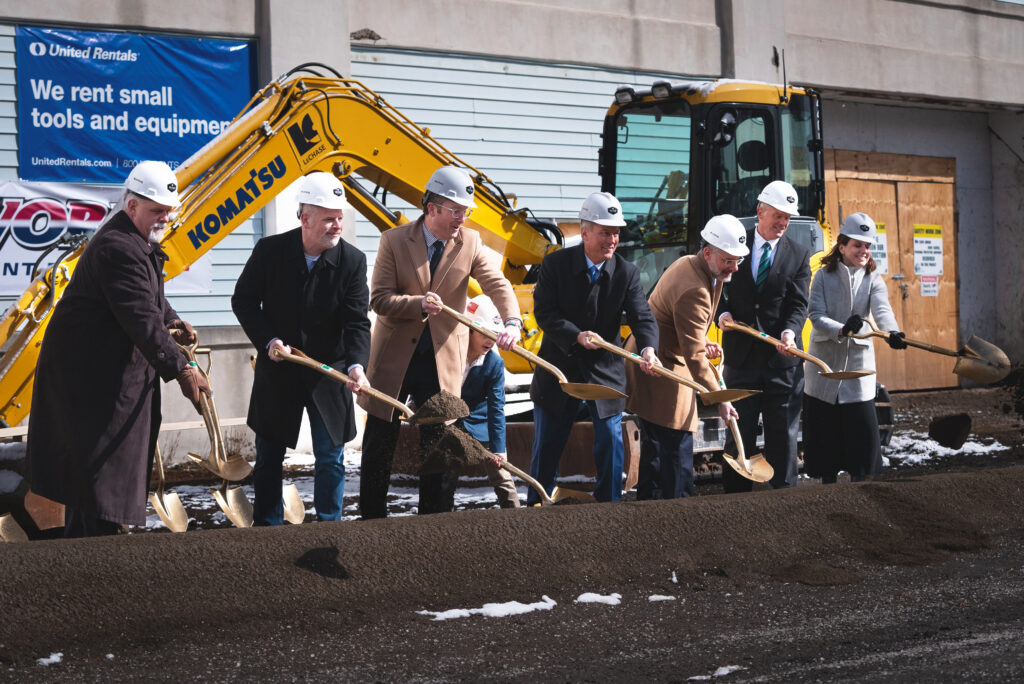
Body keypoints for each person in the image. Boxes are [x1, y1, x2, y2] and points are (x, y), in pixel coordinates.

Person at [27, 161, 209, 538]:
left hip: (105, 380)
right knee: (99, 482)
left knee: (97, 483)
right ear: (132, 207)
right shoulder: (119, 248)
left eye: (168, 211)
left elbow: (152, 304)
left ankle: (96, 549)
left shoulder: (135, 242)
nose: (164, 218)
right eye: (156, 210)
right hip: (95, 387)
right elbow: (141, 317)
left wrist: (173, 323)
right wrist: (181, 369)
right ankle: (100, 558)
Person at [358, 165, 522, 518]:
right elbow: (380, 299)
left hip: (441, 359)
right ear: (432, 208)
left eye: (466, 212)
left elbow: (497, 284)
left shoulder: (471, 243)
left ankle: (436, 522)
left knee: (442, 444)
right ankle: (371, 521)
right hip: (395, 359)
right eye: (456, 210)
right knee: (380, 439)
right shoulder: (394, 241)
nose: (462, 218)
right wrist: (417, 303)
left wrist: (512, 320)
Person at [232, 172, 371, 525]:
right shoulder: (270, 251)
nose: (337, 225)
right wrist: (269, 341)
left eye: (340, 217)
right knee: (269, 455)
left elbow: (357, 322)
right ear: (304, 218)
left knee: (331, 457)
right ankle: (268, 526)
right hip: (279, 367)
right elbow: (244, 301)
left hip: (329, 371)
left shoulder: (352, 262)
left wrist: (357, 365)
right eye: (328, 218)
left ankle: (329, 525)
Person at [528, 192, 660, 504]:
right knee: (547, 444)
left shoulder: (626, 273)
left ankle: (609, 505)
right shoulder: (555, 264)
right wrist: (575, 336)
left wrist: (649, 348)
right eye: (605, 232)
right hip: (559, 368)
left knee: (611, 441)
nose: (612, 240)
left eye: (616, 233)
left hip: (604, 370)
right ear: (585, 231)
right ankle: (536, 504)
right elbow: (545, 313)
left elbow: (643, 316)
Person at [625, 215, 749, 499]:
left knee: (659, 444)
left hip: (661, 355)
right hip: (659, 365)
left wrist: (703, 338)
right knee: (676, 442)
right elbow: (694, 358)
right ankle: (678, 511)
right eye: (729, 260)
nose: (735, 267)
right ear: (708, 253)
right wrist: (721, 399)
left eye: (738, 260)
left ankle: (653, 507)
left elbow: (678, 322)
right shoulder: (695, 288)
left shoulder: (691, 264)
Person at [717, 180, 811, 492]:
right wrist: (722, 312)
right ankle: (734, 500)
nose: (783, 222)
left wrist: (789, 332)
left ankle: (783, 499)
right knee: (739, 433)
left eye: (788, 217)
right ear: (761, 211)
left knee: (782, 435)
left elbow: (799, 304)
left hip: (780, 363)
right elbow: (716, 284)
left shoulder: (798, 254)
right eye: (778, 215)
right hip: (742, 361)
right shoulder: (734, 243)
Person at [803, 212, 907, 483]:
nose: (864, 251)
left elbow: (882, 310)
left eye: (867, 246)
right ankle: (828, 486)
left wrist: (892, 332)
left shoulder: (873, 278)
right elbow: (815, 314)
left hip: (857, 371)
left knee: (861, 438)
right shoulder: (823, 277)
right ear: (842, 247)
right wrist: (841, 329)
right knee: (826, 438)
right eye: (857, 245)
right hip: (824, 367)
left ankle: (861, 490)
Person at [460, 294, 520, 508]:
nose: (490, 340)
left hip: (479, 422)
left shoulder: (494, 363)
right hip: (449, 422)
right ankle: (438, 517)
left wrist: (499, 449)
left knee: (501, 473)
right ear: (468, 329)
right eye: (484, 332)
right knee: (442, 476)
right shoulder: (449, 353)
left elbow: (497, 408)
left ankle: (516, 515)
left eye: (495, 334)